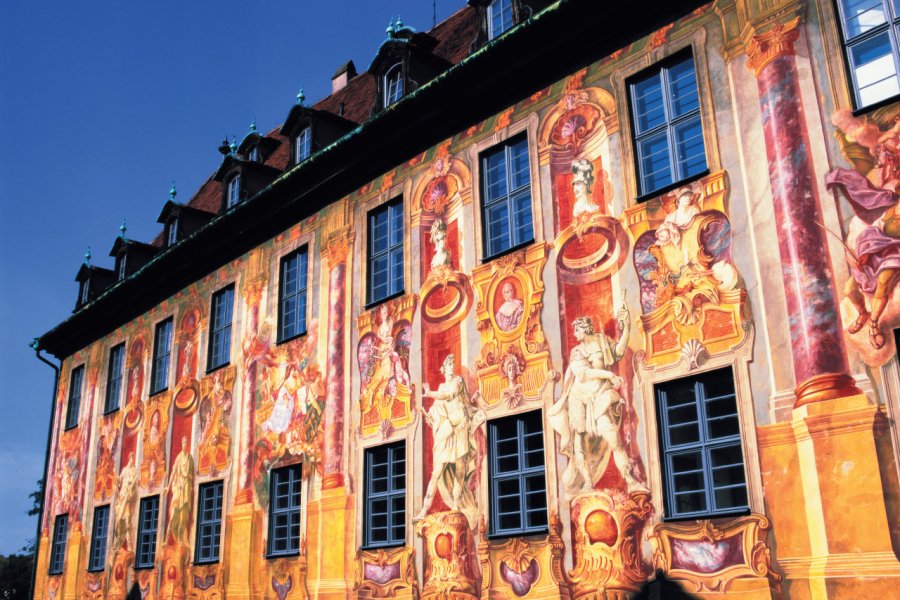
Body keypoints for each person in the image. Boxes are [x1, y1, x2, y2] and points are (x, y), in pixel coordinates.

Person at [548, 309, 644, 497]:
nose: (575, 334)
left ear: (585, 329)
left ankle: (630, 480)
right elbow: (584, 374)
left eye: (577, 330)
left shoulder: (601, 341)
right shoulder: (577, 352)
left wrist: (626, 329)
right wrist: (609, 374)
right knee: (579, 443)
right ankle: (587, 483)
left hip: (599, 394)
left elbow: (618, 352)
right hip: (579, 397)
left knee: (613, 438)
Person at [415, 354, 485, 526]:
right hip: (449, 431)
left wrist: (430, 392)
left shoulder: (458, 382)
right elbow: (439, 408)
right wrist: (432, 418)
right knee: (436, 472)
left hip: (461, 427)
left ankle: (455, 504)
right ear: (444, 368)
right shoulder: (441, 387)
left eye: (454, 364)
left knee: (460, 471)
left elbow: (450, 394)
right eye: (449, 365)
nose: (452, 367)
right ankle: (424, 509)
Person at [167, 435, 194, 546]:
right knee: (173, 516)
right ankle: (170, 539)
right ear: (181, 444)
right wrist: (168, 487)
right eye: (183, 442)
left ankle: (181, 540)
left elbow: (192, 474)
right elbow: (173, 473)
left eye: (186, 442)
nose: (184, 444)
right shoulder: (178, 458)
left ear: (187, 445)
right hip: (179, 487)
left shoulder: (190, 458)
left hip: (186, 487)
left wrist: (191, 486)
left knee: (184, 517)